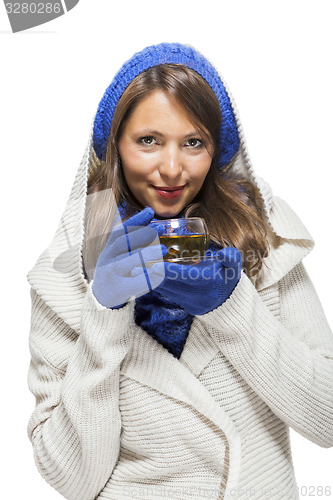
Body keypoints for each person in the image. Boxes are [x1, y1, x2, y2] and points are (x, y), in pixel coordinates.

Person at [27, 43, 333, 500]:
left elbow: (327, 418)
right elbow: (70, 477)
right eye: (148, 140)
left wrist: (232, 310)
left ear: (218, 147)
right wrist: (105, 313)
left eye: (193, 143)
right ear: (115, 146)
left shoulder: (262, 234)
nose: (171, 170)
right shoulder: (66, 268)